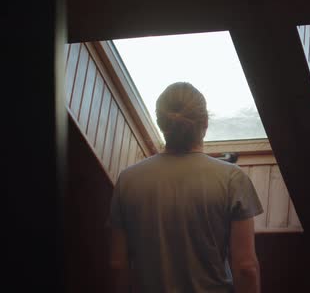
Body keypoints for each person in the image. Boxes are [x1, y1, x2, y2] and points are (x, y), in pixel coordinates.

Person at [108, 82, 263, 293]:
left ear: (161, 124)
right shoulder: (232, 179)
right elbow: (246, 268)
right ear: (205, 123)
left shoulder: (127, 181)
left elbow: (118, 265)